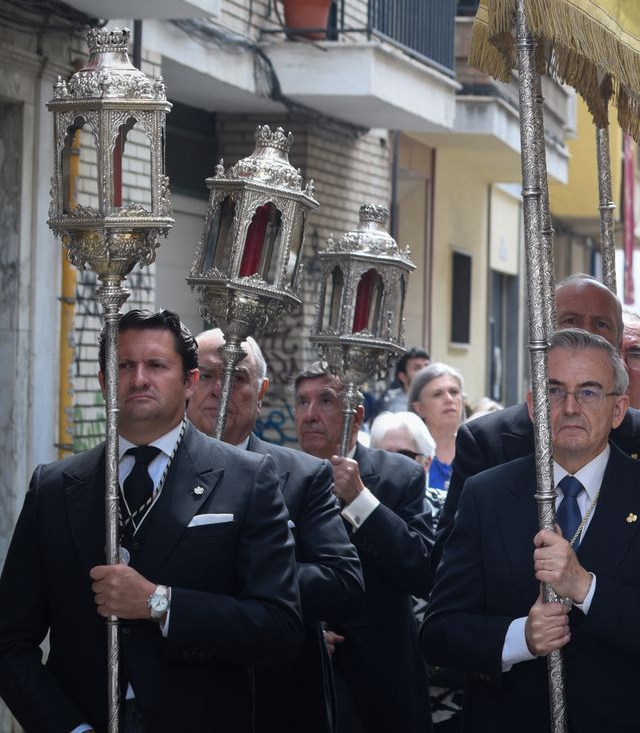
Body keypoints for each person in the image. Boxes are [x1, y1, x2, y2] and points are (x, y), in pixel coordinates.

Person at [0, 309, 302, 733]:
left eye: (157, 365)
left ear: (190, 382)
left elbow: (279, 627)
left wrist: (160, 604)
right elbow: (9, 640)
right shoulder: (53, 487)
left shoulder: (247, 479)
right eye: (123, 366)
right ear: (105, 382)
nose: (138, 379)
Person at [424, 329, 640, 730]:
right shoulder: (486, 495)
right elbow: (438, 632)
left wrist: (586, 588)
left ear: (619, 409)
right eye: (555, 391)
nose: (570, 407)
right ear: (534, 407)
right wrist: (520, 638)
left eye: (589, 392)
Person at [438, 275, 640, 568]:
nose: (588, 333)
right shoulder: (487, 441)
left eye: (601, 324)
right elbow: (450, 569)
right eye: (570, 320)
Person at [189, 329, 364, 733]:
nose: (220, 389)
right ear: (186, 383)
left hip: (275, 702)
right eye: (208, 374)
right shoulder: (150, 471)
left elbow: (344, 584)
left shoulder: (302, 475)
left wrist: (248, 566)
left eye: (239, 376)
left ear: (263, 390)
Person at [296, 369, 435, 733]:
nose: (310, 414)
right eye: (301, 401)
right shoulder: (272, 474)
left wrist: (361, 500)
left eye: (325, 400)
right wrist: (304, 634)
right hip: (301, 677)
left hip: (384, 683)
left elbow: (422, 570)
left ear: (355, 416)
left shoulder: (399, 475)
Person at [370, 410, 464, 728]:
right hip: (377, 682)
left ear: (426, 462)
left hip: (446, 689)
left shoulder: (451, 513)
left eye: (404, 456)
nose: (392, 464)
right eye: (382, 455)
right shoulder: (346, 508)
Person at [409, 362, 464, 491]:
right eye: (437, 394)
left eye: (454, 391)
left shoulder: (476, 449)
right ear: (419, 408)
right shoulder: (410, 453)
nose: (449, 399)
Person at [370, 346, 431, 421]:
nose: (426, 372)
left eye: (427, 366)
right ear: (403, 377)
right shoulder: (394, 405)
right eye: (417, 368)